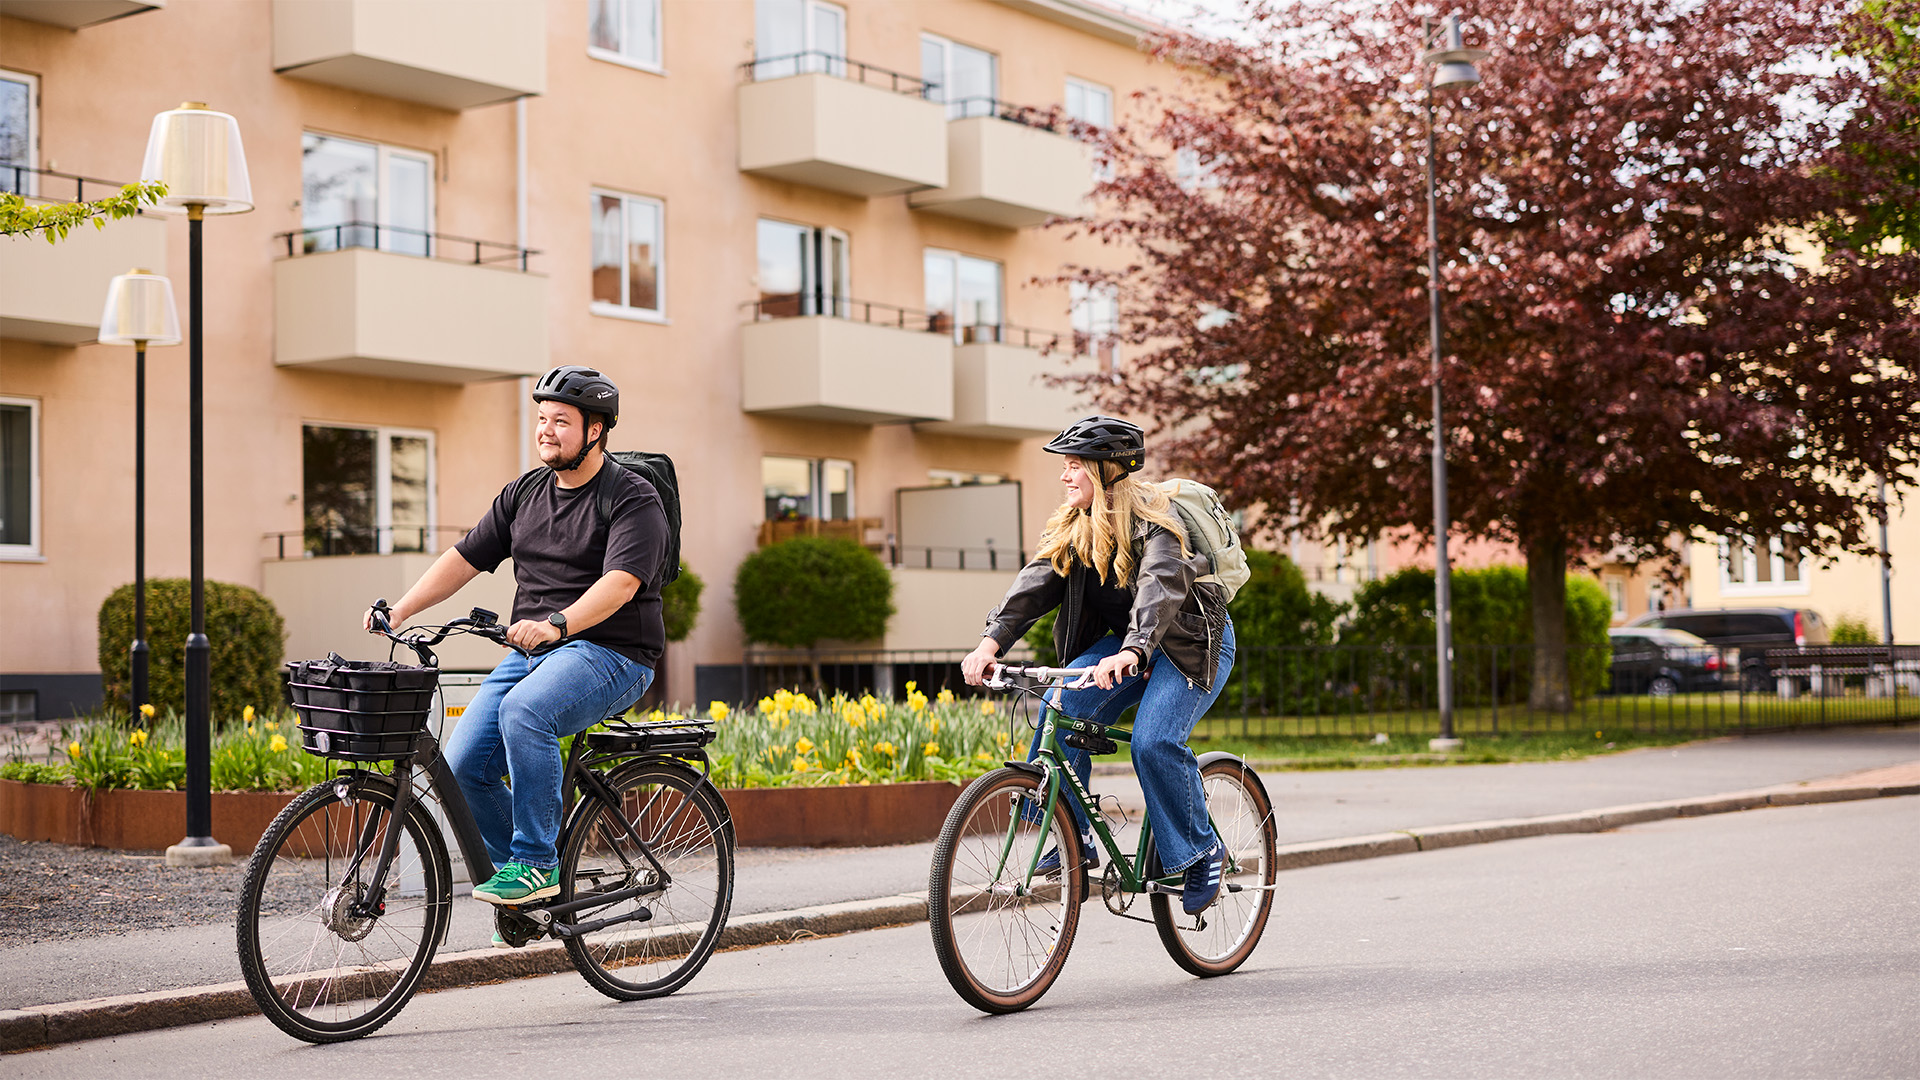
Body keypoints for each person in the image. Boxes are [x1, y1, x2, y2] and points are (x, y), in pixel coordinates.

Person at [366, 366, 668, 909]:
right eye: (542, 419)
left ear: (595, 430)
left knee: (525, 712)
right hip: (533, 652)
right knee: (461, 769)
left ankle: (535, 864)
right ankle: (536, 886)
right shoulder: (525, 492)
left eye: (561, 421)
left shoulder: (632, 497)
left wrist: (558, 623)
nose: (546, 430)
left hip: (613, 652)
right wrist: (403, 609)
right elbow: (465, 557)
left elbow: (621, 583)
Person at [961, 415, 1237, 915]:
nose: (1066, 477)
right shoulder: (1076, 527)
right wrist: (991, 643)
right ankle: (1075, 836)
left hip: (1191, 643)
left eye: (1075, 467)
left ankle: (1202, 851)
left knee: (1154, 741)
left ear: (1108, 471)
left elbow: (1160, 588)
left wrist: (1134, 651)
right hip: (1127, 644)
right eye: (1064, 467)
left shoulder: (1160, 525)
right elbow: (1036, 583)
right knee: (1057, 713)